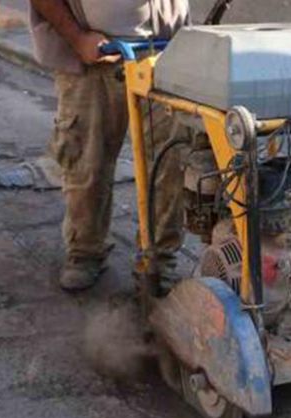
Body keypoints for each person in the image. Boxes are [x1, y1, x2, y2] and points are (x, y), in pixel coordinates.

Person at [29, 0, 190, 291]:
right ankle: (85, 251)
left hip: (164, 53)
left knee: (169, 162)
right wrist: (78, 38)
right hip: (93, 57)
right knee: (87, 162)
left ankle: (158, 259)